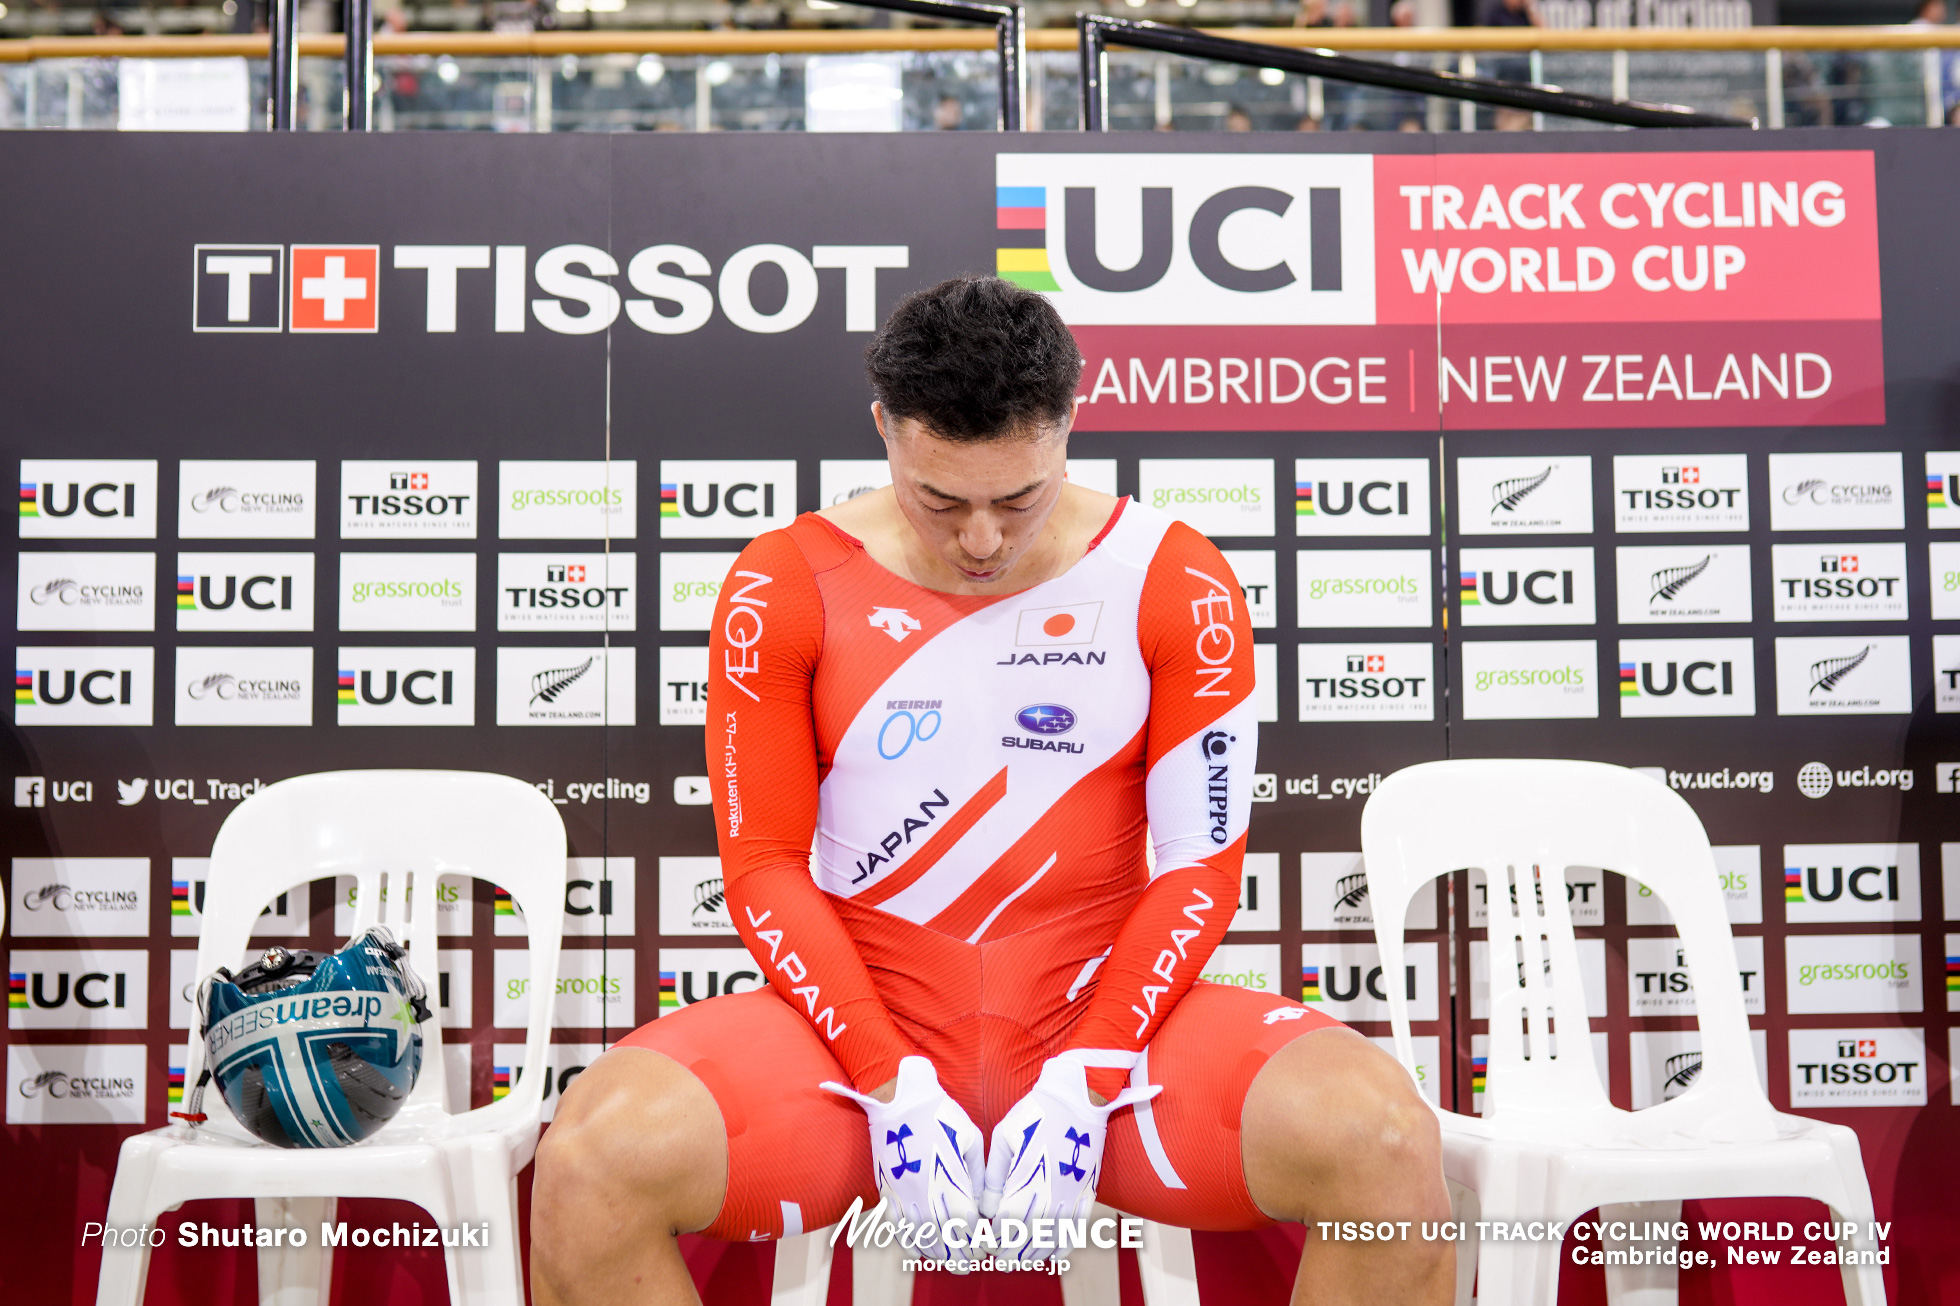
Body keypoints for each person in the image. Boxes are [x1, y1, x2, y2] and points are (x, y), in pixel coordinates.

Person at [530, 277, 1451, 1306]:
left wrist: (1090, 1071)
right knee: (589, 1160)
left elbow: (1200, 869)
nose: (979, 539)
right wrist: (884, 1074)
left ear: (1066, 427)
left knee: (1383, 1141)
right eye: (940, 499)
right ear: (885, 429)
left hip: (1111, 1032)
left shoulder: (1175, 577)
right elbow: (761, 868)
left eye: (1017, 498)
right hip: (854, 1037)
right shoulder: (783, 579)